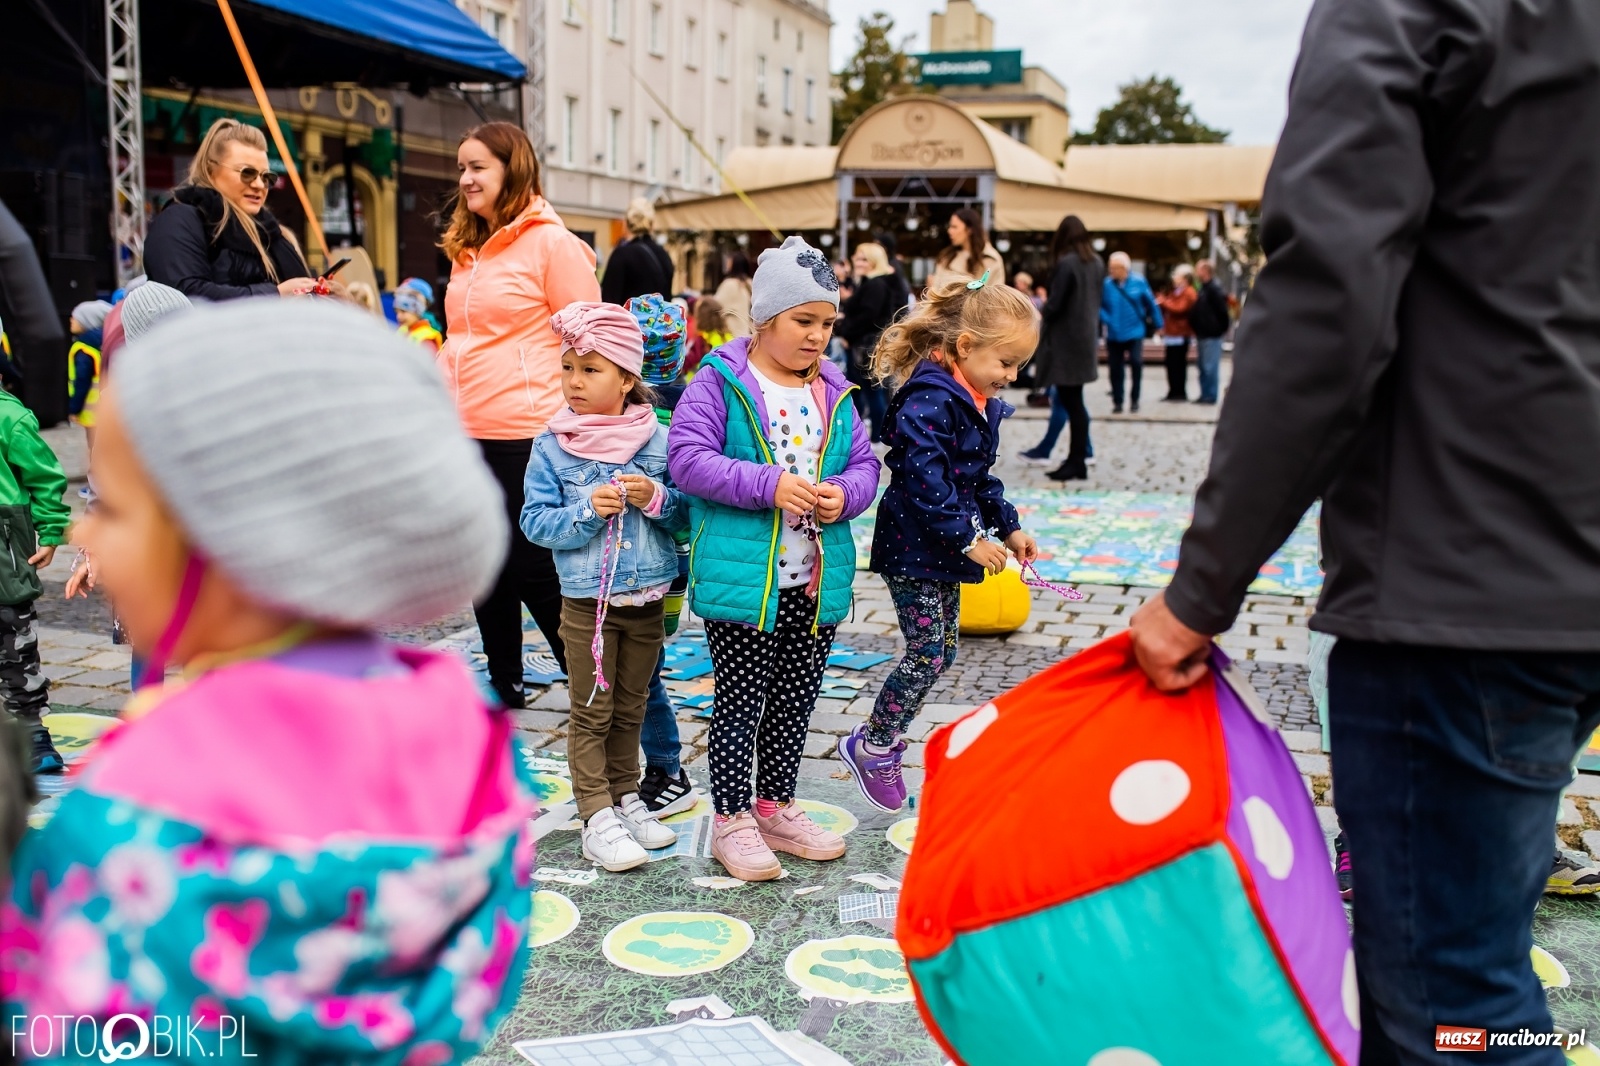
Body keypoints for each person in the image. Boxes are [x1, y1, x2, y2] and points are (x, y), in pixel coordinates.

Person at [1127, 0, 1600, 1059]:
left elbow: (1327, 297)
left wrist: (1202, 587)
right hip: (1545, 548)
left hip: (1463, 568)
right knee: (1470, 963)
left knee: (1456, 1009)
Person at [3, 301, 535, 1060]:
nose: (86, 533)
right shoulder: (469, 731)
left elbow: (65, 1028)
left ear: (236, 550)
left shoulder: (136, 806)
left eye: (112, 508)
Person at [669, 236, 880, 882]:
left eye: (826, 324)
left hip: (814, 585)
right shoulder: (722, 382)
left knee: (795, 700)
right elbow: (687, 458)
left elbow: (866, 467)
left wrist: (843, 494)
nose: (817, 337)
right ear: (763, 321)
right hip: (743, 585)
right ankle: (732, 816)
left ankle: (776, 806)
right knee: (740, 702)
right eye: (803, 322)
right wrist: (768, 483)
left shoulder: (836, 393)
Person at [839, 275, 1040, 812]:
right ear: (967, 347)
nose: (1012, 376)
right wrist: (970, 538)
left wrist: (1008, 526)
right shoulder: (930, 400)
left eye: (1019, 365)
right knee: (927, 653)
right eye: (1006, 363)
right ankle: (874, 743)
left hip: (939, 548)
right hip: (913, 546)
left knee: (941, 652)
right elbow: (924, 481)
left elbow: (978, 479)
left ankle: (878, 739)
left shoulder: (972, 398)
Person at [437, 120, 602, 709]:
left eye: (477, 166)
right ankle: (505, 679)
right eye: (461, 167)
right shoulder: (468, 248)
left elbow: (591, 337)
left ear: (513, 168)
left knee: (534, 564)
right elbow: (463, 336)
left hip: (526, 429)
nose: (465, 178)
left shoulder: (550, 243)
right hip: (466, 427)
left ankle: (588, 683)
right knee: (483, 559)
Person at [520, 302, 685, 872]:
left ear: (626, 378)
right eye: (567, 368)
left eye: (589, 370)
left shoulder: (659, 443)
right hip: (587, 603)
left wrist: (657, 499)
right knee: (593, 709)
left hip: (648, 599)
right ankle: (596, 814)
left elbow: (687, 518)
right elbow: (535, 522)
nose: (574, 382)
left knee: (632, 707)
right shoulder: (553, 444)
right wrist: (587, 509)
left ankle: (626, 795)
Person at [627, 295, 701, 818]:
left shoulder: (633, 411)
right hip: (675, 561)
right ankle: (655, 763)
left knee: (644, 666)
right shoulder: (698, 400)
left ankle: (667, 767)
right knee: (648, 659)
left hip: (652, 556)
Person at [144, 118, 314, 300]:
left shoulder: (275, 234)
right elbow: (185, 296)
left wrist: (330, 296)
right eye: (247, 173)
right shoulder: (180, 219)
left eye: (266, 177)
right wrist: (275, 294)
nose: (259, 185)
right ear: (211, 171)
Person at [0, 370, 70, 776]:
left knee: (14, 641)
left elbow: (44, 477)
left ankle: (32, 734)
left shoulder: (10, 416)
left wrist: (51, 529)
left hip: (5, 554)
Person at [1019, 216, 1105, 480]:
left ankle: (1076, 459)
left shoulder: (1067, 264)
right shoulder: (1096, 263)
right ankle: (1077, 457)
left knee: (1071, 401)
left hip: (1066, 342)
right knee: (1074, 401)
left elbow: (1055, 305)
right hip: (1084, 339)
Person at [837, 242, 908, 443]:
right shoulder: (868, 282)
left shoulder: (876, 284)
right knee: (865, 392)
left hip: (865, 346)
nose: (858, 262)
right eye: (857, 258)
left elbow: (869, 317)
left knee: (872, 392)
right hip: (861, 344)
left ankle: (878, 436)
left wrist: (847, 334)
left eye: (864, 259)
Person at [1101, 252, 1160, 414]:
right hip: (1113, 333)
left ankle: (1135, 400)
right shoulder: (1107, 285)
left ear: (1124, 268)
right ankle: (1118, 401)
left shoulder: (1139, 282)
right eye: (1110, 268)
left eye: (1114, 268)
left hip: (1134, 331)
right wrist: (1108, 319)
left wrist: (1158, 324)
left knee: (1136, 364)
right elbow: (1099, 306)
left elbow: (1151, 304)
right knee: (1115, 369)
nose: (1111, 271)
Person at [601, 198, 675, 306]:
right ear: (652, 224)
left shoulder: (621, 255)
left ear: (626, 223)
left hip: (630, 322)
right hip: (659, 322)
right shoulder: (664, 255)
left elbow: (608, 303)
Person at [928, 208, 1005, 290]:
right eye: (950, 226)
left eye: (954, 227)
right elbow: (936, 291)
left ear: (969, 229)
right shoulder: (947, 257)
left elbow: (995, 295)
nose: (949, 231)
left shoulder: (991, 259)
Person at [1189, 259, 1231, 405]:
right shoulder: (1204, 288)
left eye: (1199, 269)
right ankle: (1205, 394)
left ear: (1206, 271)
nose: (1196, 272)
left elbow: (1223, 312)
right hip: (1202, 333)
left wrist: (1220, 329)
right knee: (1203, 367)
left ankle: (1210, 395)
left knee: (1210, 367)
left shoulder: (1214, 289)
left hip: (1212, 334)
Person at [67, 300, 112, 434]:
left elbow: (82, 381)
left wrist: (74, 408)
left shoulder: (83, 349)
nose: (71, 320)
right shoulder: (107, 342)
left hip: (92, 412)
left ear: (88, 321)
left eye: (76, 318)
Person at [1156, 264, 1197, 402]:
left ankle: (1179, 392)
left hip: (1181, 333)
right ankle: (1173, 391)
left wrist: (1164, 302)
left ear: (1185, 278)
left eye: (1177, 275)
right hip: (1172, 333)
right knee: (1171, 364)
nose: (1174, 278)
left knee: (1178, 364)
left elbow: (1179, 308)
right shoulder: (1176, 291)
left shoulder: (1189, 292)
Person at [686, 296, 732, 377]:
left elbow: (687, 363)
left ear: (701, 318)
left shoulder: (702, 340)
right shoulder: (729, 338)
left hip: (697, 384)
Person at [714, 251, 754, 335]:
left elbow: (715, 307)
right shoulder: (750, 283)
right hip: (750, 335)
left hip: (733, 334)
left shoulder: (729, 285)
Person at [394, 284, 443, 353]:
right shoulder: (403, 330)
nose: (398, 316)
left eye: (403, 311)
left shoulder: (427, 340)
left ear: (417, 311)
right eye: (397, 311)